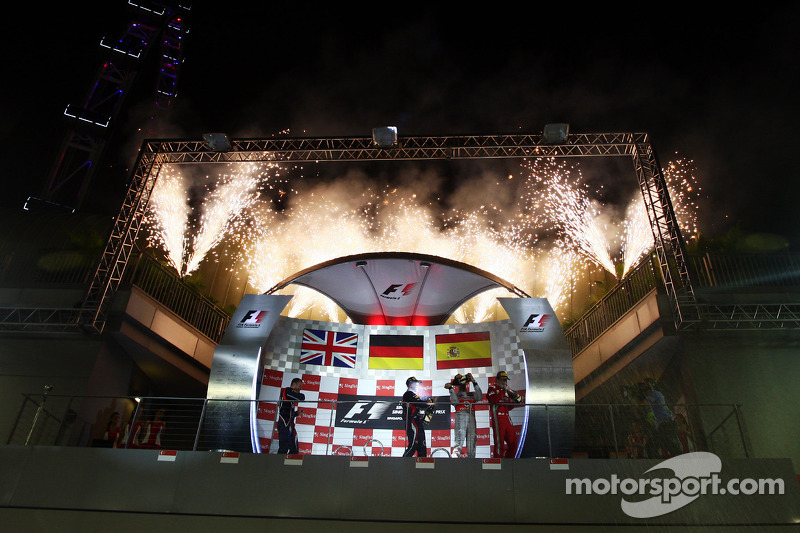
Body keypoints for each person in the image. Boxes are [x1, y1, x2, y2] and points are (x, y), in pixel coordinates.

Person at [444, 373, 482, 458]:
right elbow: (455, 402)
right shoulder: (455, 394)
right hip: (460, 416)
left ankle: (472, 460)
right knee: (459, 438)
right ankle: (455, 457)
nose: (462, 384)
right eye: (460, 382)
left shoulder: (471, 394)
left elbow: (480, 396)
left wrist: (474, 382)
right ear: (457, 384)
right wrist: (451, 389)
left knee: (472, 440)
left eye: (464, 382)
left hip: (471, 416)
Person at [486, 371, 523, 458]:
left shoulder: (507, 391)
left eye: (505, 380)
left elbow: (509, 407)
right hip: (498, 418)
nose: (504, 382)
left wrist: (515, 401)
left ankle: (509, 462)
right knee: (500, 445)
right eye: (502, 380)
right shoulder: (492, 389)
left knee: (513, 443)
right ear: (497, 380)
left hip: (507, 419)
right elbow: (493, 400)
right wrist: (504, 392)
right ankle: (498, 463)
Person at [643, 378, 681, 458]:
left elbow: (644, 403)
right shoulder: (656, 394)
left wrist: (637, 395)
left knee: (652, 446)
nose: (644, 387)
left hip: (666, 425)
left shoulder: (654, 393)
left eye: (645, 384)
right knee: (669, 445)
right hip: (665, 425)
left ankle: (656, 462)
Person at [402, 376, 432, 457]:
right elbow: (419, 403)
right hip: (412, 421)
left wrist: (428, 403)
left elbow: (420, 403)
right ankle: (403, 463)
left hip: (418, 421)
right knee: (413, 445)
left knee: (422, 446)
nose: (417, 385)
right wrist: (429, 402)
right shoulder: (408, 394)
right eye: (415, 383)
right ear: (410, 384)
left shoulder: (413, 394)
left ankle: (423, 467)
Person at [277, 378, 305, 454]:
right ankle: (279, 464)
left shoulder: (291, 397)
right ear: (294, 384)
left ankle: (290, 464)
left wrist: (296, 413)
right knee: (284, 447)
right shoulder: (287, 390)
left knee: (294, 448)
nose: (300, 388)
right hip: (284, 423)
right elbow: (301, 397)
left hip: (290, 424)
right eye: (299, 386)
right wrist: (297, 394)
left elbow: (289, 412)